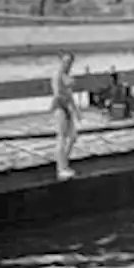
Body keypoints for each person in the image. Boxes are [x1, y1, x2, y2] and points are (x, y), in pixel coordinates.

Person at [52, 51, 81, 180]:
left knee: (73, 136)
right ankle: (61, 168)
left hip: (67, 107)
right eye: (65, 62)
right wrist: (66, 106)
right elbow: (57, 93)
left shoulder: (67, 75)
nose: (67, 65)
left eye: (69, 62)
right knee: (61, 137)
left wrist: (76, 110)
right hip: (60, 107)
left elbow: (69, 94)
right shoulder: (57, 75)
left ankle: (65, 162)